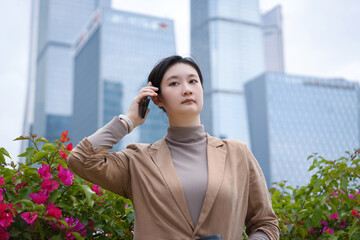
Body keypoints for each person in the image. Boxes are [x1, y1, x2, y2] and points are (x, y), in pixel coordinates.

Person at [67, 55, 280, 240]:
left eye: (193, 81)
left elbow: (265, 224)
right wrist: (129, 120)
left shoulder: (237, 154)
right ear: (157, 98)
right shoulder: (138, 160)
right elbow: (81, 160)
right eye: (174, 84)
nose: (187, 89)